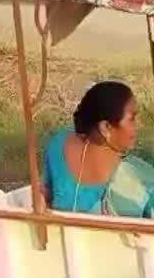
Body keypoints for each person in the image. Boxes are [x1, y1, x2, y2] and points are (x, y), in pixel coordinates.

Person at [41, 81, 154, 217]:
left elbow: (44, 191)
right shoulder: (139, 178)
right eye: (132, 119)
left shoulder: (60, 142)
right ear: (105, 127)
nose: (137, 126)